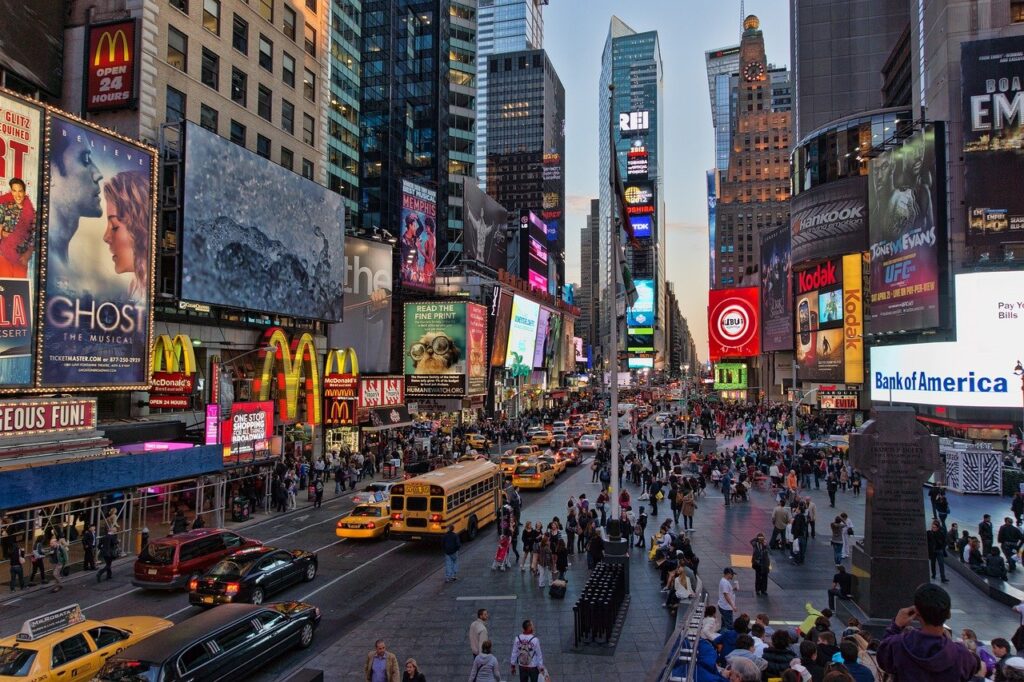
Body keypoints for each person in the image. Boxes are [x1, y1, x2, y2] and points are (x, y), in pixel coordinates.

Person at [876, 583, 976, 681]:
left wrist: (895, 626)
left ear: (917, 612)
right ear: (948, 614)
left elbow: (883, 656)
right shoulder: (962, 656)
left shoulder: (898, 646)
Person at [101, 170, 151, 302]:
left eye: (115, 226)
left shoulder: (143, 299)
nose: (106, 237)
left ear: (140, 228)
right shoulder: (135, 293)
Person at [0, 177, 37, 278]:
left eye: (20, 191)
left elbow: (34, 236)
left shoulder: (32, 213)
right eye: (14, 191)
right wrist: (7, 235)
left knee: (18, 289)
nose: (17, 194)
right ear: (11, 191)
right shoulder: (4, 207)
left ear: (25, 192)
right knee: (4, 288)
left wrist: (27, 254)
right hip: (4, 255)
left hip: (21, 257)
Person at [927, 518, 949, 583]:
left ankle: (943, 578)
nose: (933, 528)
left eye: (935, 527)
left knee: (941, 564)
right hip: (933, 551)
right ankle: (933, 574)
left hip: (939, 550)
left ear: (937, 527)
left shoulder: (941, 533)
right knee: (933, 563)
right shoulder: (929, 533)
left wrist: (942, 547)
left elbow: (945, 541)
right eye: (933, 527)